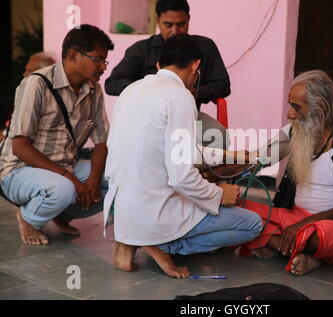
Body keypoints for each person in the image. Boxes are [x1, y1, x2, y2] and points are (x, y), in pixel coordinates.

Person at [104, 34, 262, 279]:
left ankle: (131, 239)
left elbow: (172, 148)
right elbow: (181, 177)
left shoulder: (131, 90)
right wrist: (219, 194)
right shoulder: (181, 97)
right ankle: (163, 246)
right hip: (154, 210)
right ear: (195, 66)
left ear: (158, 65)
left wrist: (228, 156)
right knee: (252, 223)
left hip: (122, 207)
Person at [239, 70, 333, 276]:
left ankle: (283, 245)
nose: (289, 114)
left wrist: (308, 222)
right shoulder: (293, 130)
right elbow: (257, 159)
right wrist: (212, 173)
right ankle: (301, 251)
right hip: (292, 218)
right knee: (236, 212)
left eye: (296, 107)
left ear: (319, 107)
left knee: (327, 238)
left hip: (330, 226)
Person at [0, 24, 114, 246]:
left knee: (119, 178)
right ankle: (29, 217)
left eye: (104, 61)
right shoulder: (36, 84)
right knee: (64, 188)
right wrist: (70, 177)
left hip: (63, 167)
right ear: (73, 56)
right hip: (17, 170)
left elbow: (102, 142)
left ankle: (60, 214)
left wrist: (92, 179)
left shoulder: (94, 90)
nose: (103, 66)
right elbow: (20, 147)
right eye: (97, 59)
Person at [105, 0, 230, 149]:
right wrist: (149, 89)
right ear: (158, 21)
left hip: (188, 118)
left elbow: (223, 85)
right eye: (168, 25)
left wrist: (195, 92)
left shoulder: (204, 47)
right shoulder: (142, 50)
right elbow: (111, 84)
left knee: (217, 134)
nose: (175, 31)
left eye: (181, 24)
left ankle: (205, 172)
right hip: (147, 119)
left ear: (188, 19)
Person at [0, 53, 56, 143]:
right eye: (26, 70)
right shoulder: (22, 94)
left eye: (30, 71)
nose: (24, 74)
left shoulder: (45, 102)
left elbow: (19, 143)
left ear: (45, 73)